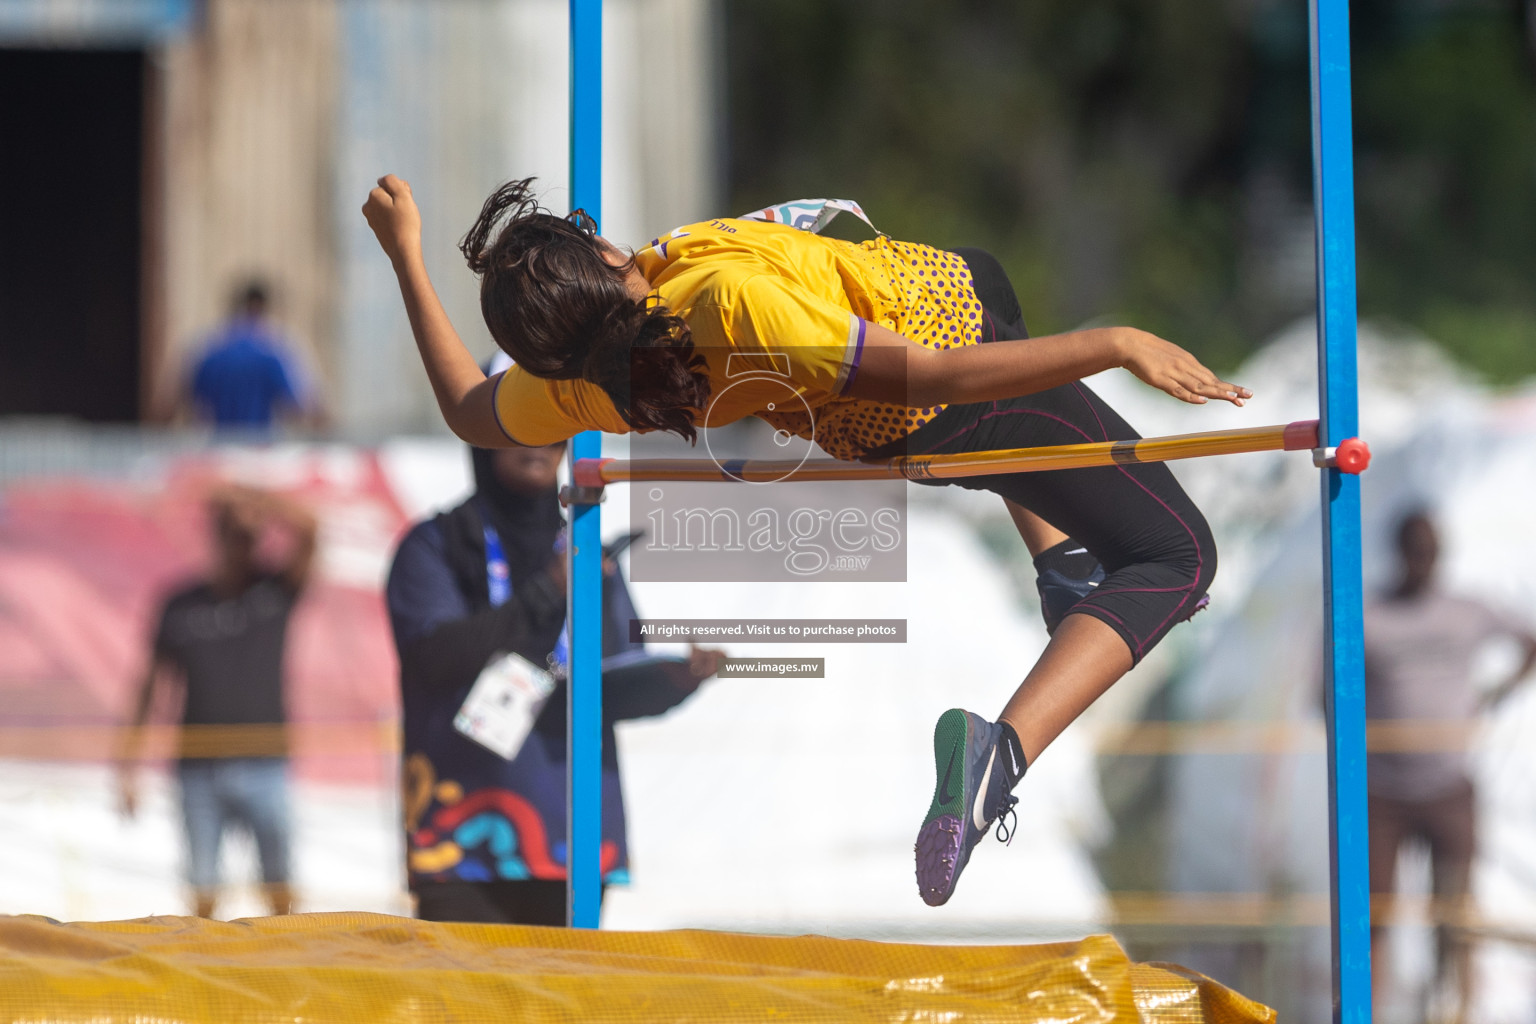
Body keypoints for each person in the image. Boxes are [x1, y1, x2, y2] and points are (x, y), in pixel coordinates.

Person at [362, 174, 1246, 905]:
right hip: (950, 389)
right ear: (597, 261)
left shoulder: (587, 385)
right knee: (1177, 556)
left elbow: (468, 410)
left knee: (991, 279)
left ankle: (1062, 567)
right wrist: (1114, 343)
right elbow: (937, 374)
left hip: (934, 341)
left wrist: (405, 255)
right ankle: (998, 755)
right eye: (592, 232)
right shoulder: (734, 311)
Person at [386, 425, 722, 924]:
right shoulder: (434, 543)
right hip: (461, 846)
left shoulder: (589, 553)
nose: (540, 442)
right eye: (521, 425)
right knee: (465, 1004)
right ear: (481, 438)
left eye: (554, 433)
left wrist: (675, 680)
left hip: (574, 839)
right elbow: (433, 658)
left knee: (562, 1003)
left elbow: (613, 683)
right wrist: (546, 592)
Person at [1364, 510, 1536, 1017]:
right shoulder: (1369, 612)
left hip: (1448, 789)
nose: (1423, 561)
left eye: (1431, 550)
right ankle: (1365, 1009)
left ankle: (1455, 1012)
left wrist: (1496, 694)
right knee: (1371, 916)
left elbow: (1528, 641)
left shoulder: (1469, 610)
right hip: (1382, 793)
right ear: (1399, 552)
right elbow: (1324, 689)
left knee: (1456, 915)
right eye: (1415, 550)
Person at [118, 485, 318, 918]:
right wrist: (128, 765)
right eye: (235, 534)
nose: (246, 546)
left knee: (280, 886)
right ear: (218, 536)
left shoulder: (274, 591)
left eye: (252, 537)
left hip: (265, 763)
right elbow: (149, 687)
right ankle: (204, 981)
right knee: (202, 892)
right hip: (198, 767)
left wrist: (257, 499)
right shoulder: (180, 604)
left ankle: (286, 973)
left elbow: (310, 529)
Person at [184, 280, 323, 431]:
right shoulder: (276, 349)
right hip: (260, 446)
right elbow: (300, 407)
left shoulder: (208, 348)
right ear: (263, 308)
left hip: (220, 444)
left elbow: (180, 402)